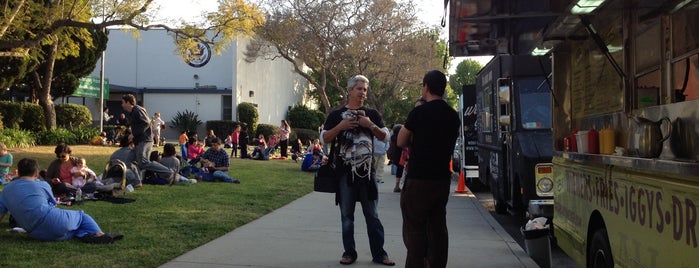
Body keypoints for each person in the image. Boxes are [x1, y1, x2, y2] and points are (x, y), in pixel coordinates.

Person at [320, 74, 394, 266]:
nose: (362, 92)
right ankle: (349, 253)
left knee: (373, 215)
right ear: (350, 90)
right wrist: (341, 126)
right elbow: (325, 138)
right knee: (347, 215)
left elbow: (385, 137)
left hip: (366, 172)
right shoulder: (336, 115)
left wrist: (369, 124)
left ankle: (380, 253)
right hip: (345, 173)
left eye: (365, 89)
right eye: (359, 88)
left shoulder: (371, 114)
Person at [397, 70, 460, 268]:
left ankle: (417, 264)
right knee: (438, 228)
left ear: (426, 87)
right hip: (441, 179)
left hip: (418, 180)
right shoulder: (453, 116)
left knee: (415, 230)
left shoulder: (419, 113)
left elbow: (401, 141)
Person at [0, 158, 123, 243]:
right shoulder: (41, 185)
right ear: (36, 172)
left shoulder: (6, 190)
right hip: (50, 219)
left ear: (19, 171)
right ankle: (99, 235)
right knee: (81, 217)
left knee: (70, 231)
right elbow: (53, 205)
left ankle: (86, 236)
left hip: (35, 233)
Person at [121, 94, 174, 183]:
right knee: (130, 160)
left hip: (145, 140)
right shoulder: (133, 112)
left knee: (143, 162)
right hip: (140, 141)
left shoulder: (137, 110)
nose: (121, 105)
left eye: (123, 102)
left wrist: (134, 134)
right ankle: (136, 181)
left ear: (128, 103)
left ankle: (169, 173)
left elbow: (146, 123)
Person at [388, 124, 403, 192]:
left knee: (399, 171)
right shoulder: (401, 138)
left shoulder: (392, 138)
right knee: (403, 171)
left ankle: (397, 185)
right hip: (402, 156)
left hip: (395, 157)